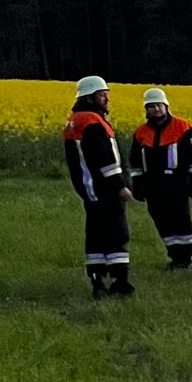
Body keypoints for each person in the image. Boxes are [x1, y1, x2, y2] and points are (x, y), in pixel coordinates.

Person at [60, 76, 134, 299]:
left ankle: (98, 281)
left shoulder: (75, 120)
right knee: (116, 233)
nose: (106, 99)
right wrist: (120, 186)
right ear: (90, 97)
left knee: (95, 235)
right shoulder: (92, 122)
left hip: (89, 189)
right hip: (105, 189)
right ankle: (120, 282)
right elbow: (105, 159)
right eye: (102, 95)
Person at [127, 87, 192, 269]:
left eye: (159, 105)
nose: (156, 109)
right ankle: (175, 257)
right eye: (151, 106)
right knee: (161, 221)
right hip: (153, 186)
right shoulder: (140, 133)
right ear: (146, 109)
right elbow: (135, 162)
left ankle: (186, 258)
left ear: (166, 106)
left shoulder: (183, 127)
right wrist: (137, 184)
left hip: (177, 184)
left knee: (181, 220)